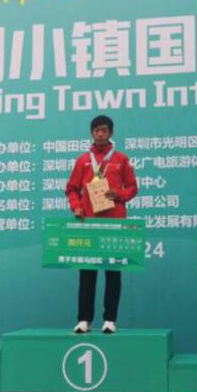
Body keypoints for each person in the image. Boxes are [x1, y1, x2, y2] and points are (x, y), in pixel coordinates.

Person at [65, 115, 138, 333]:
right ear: (91, 133)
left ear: (111, 133)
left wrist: (119, 194)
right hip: (89, 222)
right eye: (96, 130)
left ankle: (110, 320)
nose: (100, 134)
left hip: (114, 222)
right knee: (87, 273)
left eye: (104, 130)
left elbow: (133, 187)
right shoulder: (83, 160)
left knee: (113, 272)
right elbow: (71, 189)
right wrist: (76, 206)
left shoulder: (121, 159)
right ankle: (84, 320)